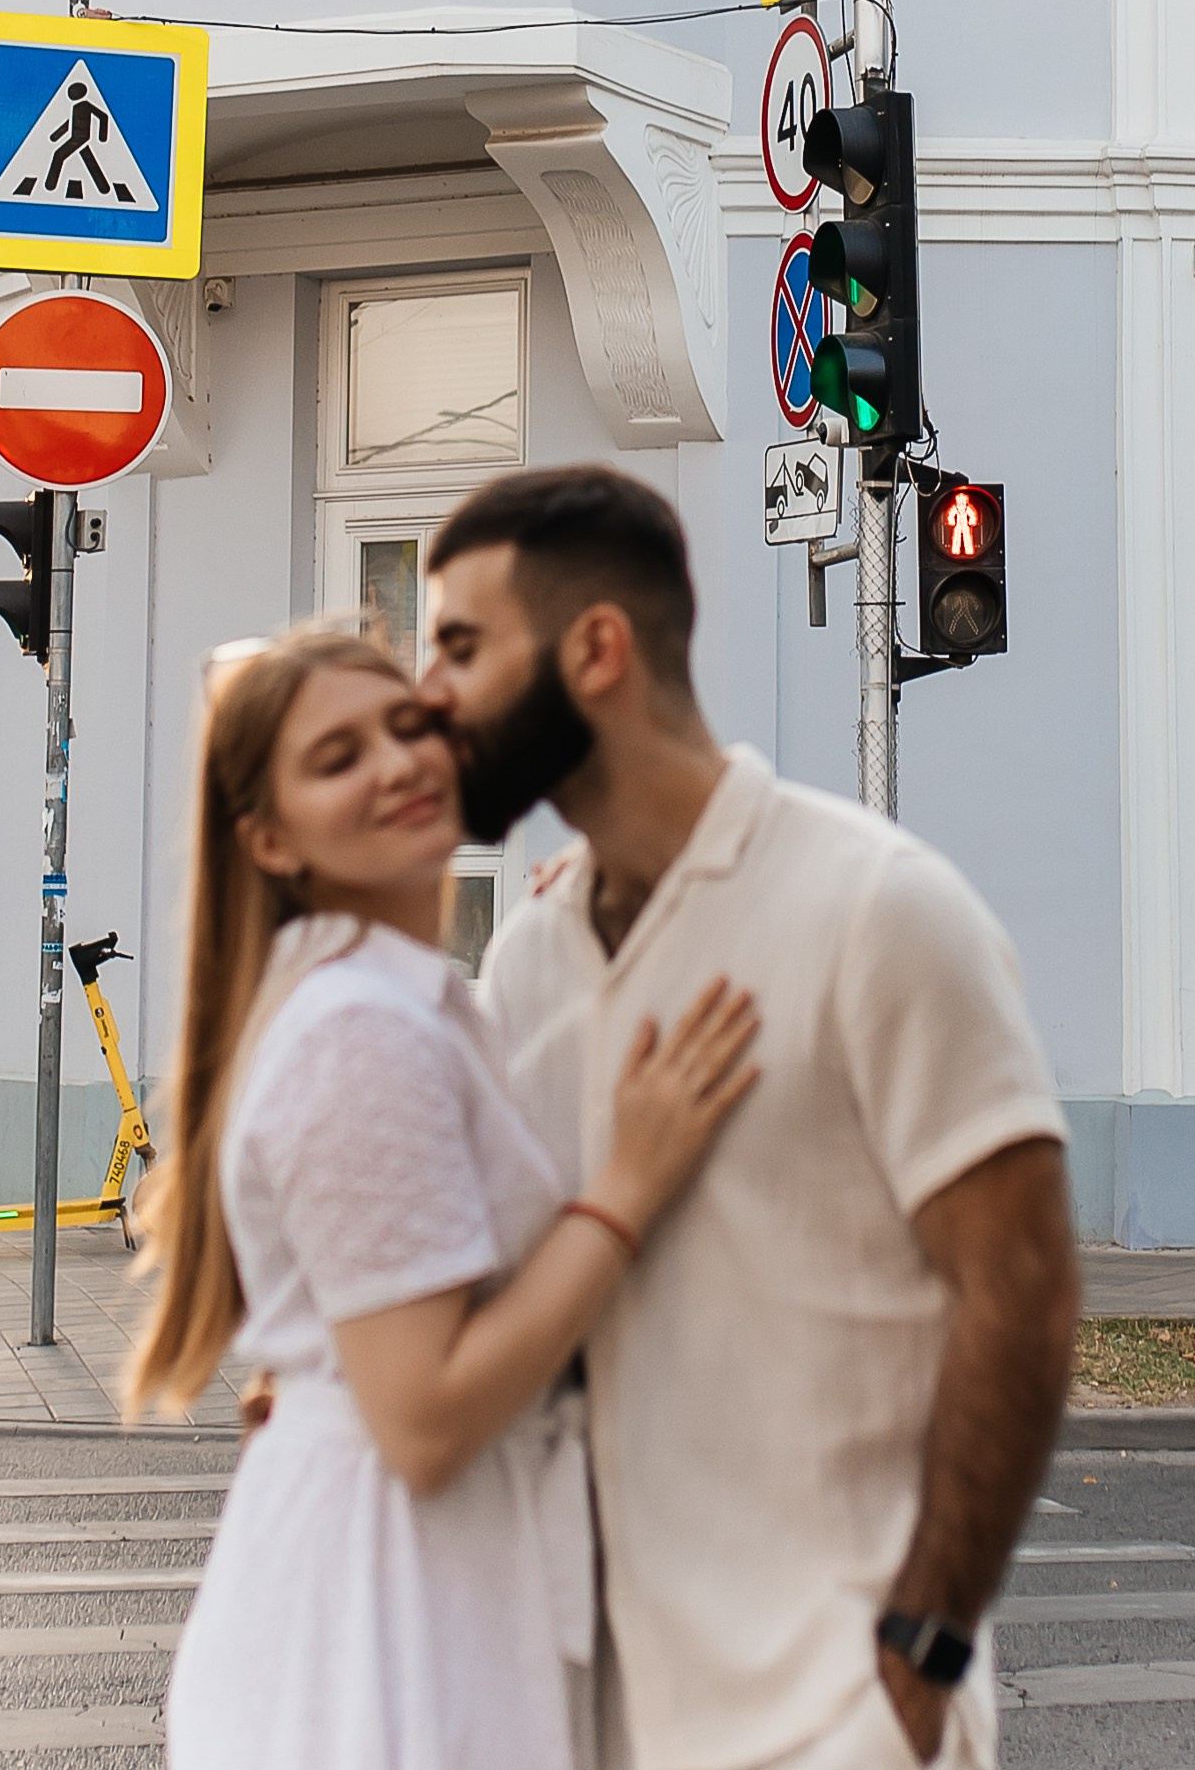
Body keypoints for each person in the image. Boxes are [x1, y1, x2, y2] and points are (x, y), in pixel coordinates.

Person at [418, 468, 1079, 1770]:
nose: (427, 693)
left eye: (459, 646)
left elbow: (1024, 1291)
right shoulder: (532, 959)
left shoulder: (878, 910)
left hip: (828, 1713)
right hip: (593, 1709)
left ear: (595, 650)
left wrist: (924, 1649)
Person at [127, 625, 760, 1770]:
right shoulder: (360, 1031)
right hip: (392, 1615)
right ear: (269, 839)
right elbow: (423, 1422)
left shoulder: (395, 1000)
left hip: (400, 1577)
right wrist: (629, 1184)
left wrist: (586, 914)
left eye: (407, 725)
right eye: (337, 758)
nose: (395, 763)